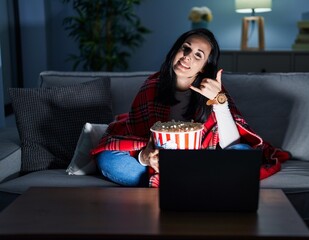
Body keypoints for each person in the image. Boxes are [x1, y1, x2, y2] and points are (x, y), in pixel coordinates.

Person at [91, 28, 290, 187]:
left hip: (204, 159)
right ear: (175, 51)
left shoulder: (212, 90)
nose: (187, 57)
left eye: (198, 55)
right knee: (108, 159)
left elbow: (231, 144)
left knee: (244, 153)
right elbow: (136, 135)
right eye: (185, 48)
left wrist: (220, 103)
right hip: (161, 160)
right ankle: (196, 184)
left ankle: (178, 183)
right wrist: (146, 158)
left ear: (204, 66)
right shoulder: (152, 86)